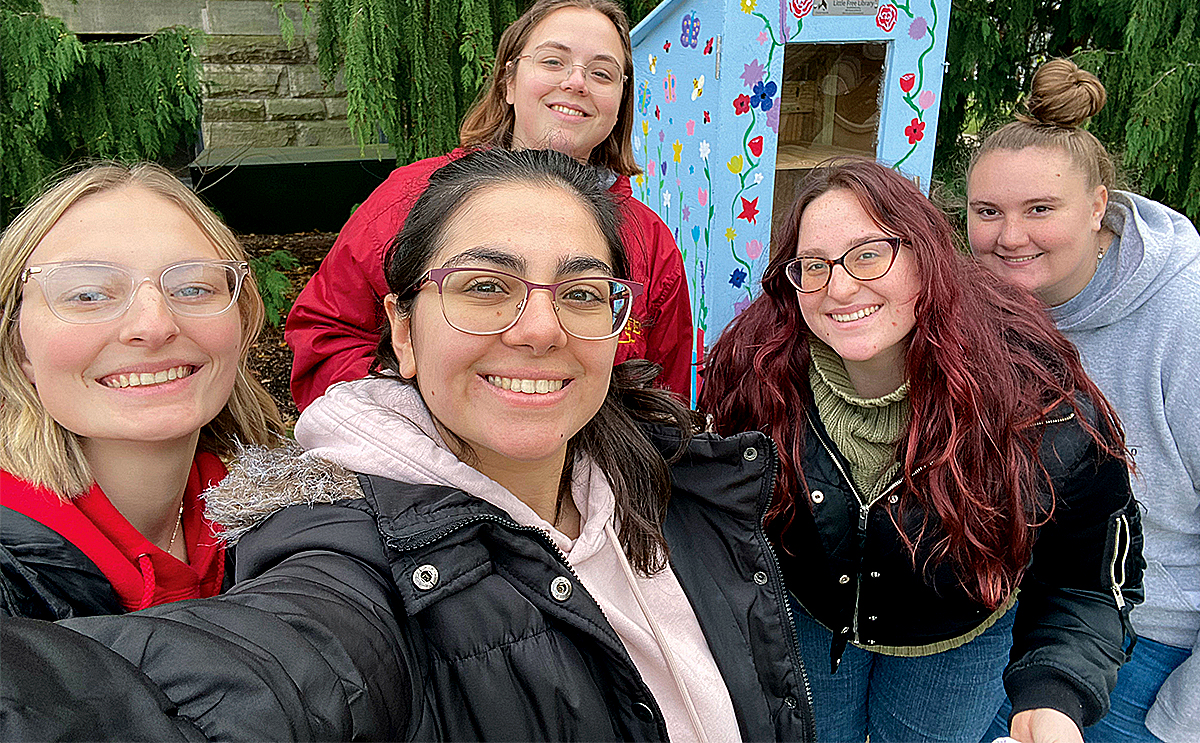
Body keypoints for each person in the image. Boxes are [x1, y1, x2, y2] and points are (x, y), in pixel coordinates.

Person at [0, 149, 811, 742]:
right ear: (400, 329)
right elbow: (282, 667)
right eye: (483, 286)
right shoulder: (343, 540)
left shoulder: (686, 484)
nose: (539, 326)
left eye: (582, 292)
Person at [700, 158, 1145, 743]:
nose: (839, 287)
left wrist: (1053, 694)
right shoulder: (757, 376)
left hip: (955, 637)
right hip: (808, 616)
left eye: (868, 254)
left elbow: (1087, 578)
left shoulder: (1031, 402)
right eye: (814, 266)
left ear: (925, 257)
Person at [285, 0, 692, 409]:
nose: (576, 82)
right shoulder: (409, 199)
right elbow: (328, 337)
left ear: (620, 102)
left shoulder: (651, 244)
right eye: (553, 61)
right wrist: (429, 426)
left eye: (602, 73)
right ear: (508, 82)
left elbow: (661, 401)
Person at [968, 58, 1200, 743]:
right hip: (1013, 618)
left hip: (1148, 645)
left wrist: (1183, 716)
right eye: (988, 212)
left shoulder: (1184, 316)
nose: (1011, 237)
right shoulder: (980, 308)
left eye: (1040, 209)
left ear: (1099, 204)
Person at [0, 162, 283, 619]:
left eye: (193, 287)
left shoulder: (293, 524)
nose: (154, 327)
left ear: (242, 324)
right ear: (19, 346)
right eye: (88, 295)